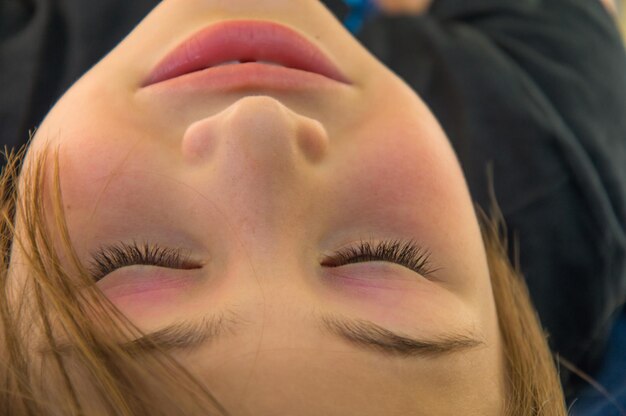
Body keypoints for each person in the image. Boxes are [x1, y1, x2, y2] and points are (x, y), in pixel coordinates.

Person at [0, 0, 624, 414]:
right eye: (380, 257)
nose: (259, 125)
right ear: (513, 325)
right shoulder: (558, 155)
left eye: (140, 261)